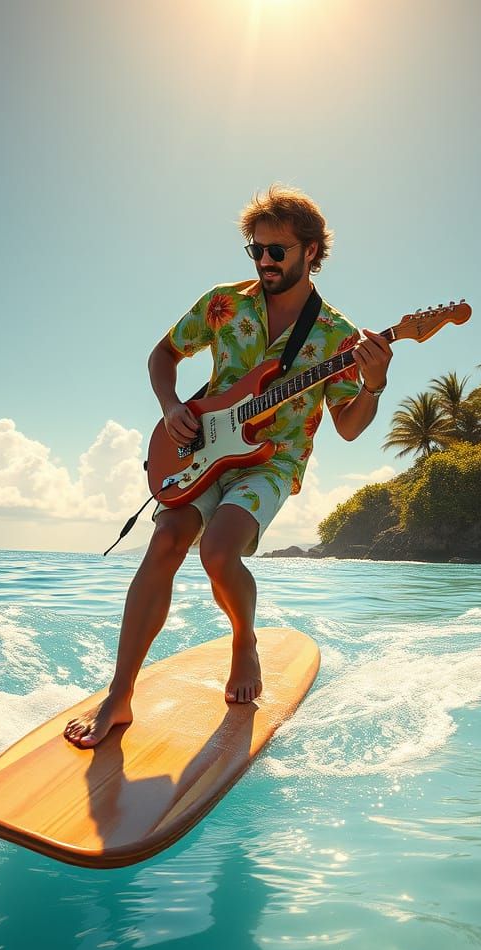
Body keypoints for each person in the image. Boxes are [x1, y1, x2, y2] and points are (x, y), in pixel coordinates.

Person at [64, 185, 392, 748]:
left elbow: (349, 425)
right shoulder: (223, 303)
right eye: (256, 249)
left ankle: (244, 640)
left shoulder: (337, 336)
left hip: (272, 461)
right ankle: (119, 696)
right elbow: (163, 353)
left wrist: (375, 384)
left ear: (312, 252)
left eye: (278, 251)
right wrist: (171, 409)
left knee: (218, 552)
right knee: (167, 539)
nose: (265, 260)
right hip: (201, 446)